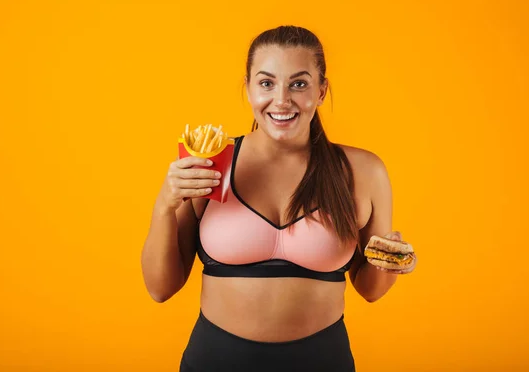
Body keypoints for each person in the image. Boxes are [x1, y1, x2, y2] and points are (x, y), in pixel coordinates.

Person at [141, 25, 413, 372]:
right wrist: (165, 203)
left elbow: (371, 289)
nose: (281, 100)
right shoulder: (212, 162)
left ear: (321, 90)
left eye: (298, 83)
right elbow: (160, 288)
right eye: (266, 83)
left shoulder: (363, 171)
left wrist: (391, 262)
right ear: (249, 88)